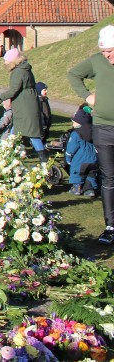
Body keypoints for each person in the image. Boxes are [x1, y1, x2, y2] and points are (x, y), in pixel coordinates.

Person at [68, 24, 114, 244]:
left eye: (111, 51)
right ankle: (110, 226)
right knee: (108, 177)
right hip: (103, 128)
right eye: (105, 52)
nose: (108, 56)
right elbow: (74, 74)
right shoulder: (97, 61)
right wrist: (87, 96)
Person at [0, 47, 44, 159]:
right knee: (19, 131)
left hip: (24, 106)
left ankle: (43, 159)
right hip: (26, 104)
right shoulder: (25, 69)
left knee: (29, 134)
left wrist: (1, 96)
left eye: (6, 60)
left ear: (12, 60)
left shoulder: (18, 72)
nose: (5, 63)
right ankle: (8, 155)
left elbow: (14, 89)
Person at [67, 106, 98, 197]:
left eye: (74, 123)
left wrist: (68, 157)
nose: (73, 125)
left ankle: (77, 188)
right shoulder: (94, 131)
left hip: (80, 160)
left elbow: (71, 147)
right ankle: (90, 190)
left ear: (80, 123)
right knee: (91, 174)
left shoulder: (76, 134)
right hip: (94, 159)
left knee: (77, 173)